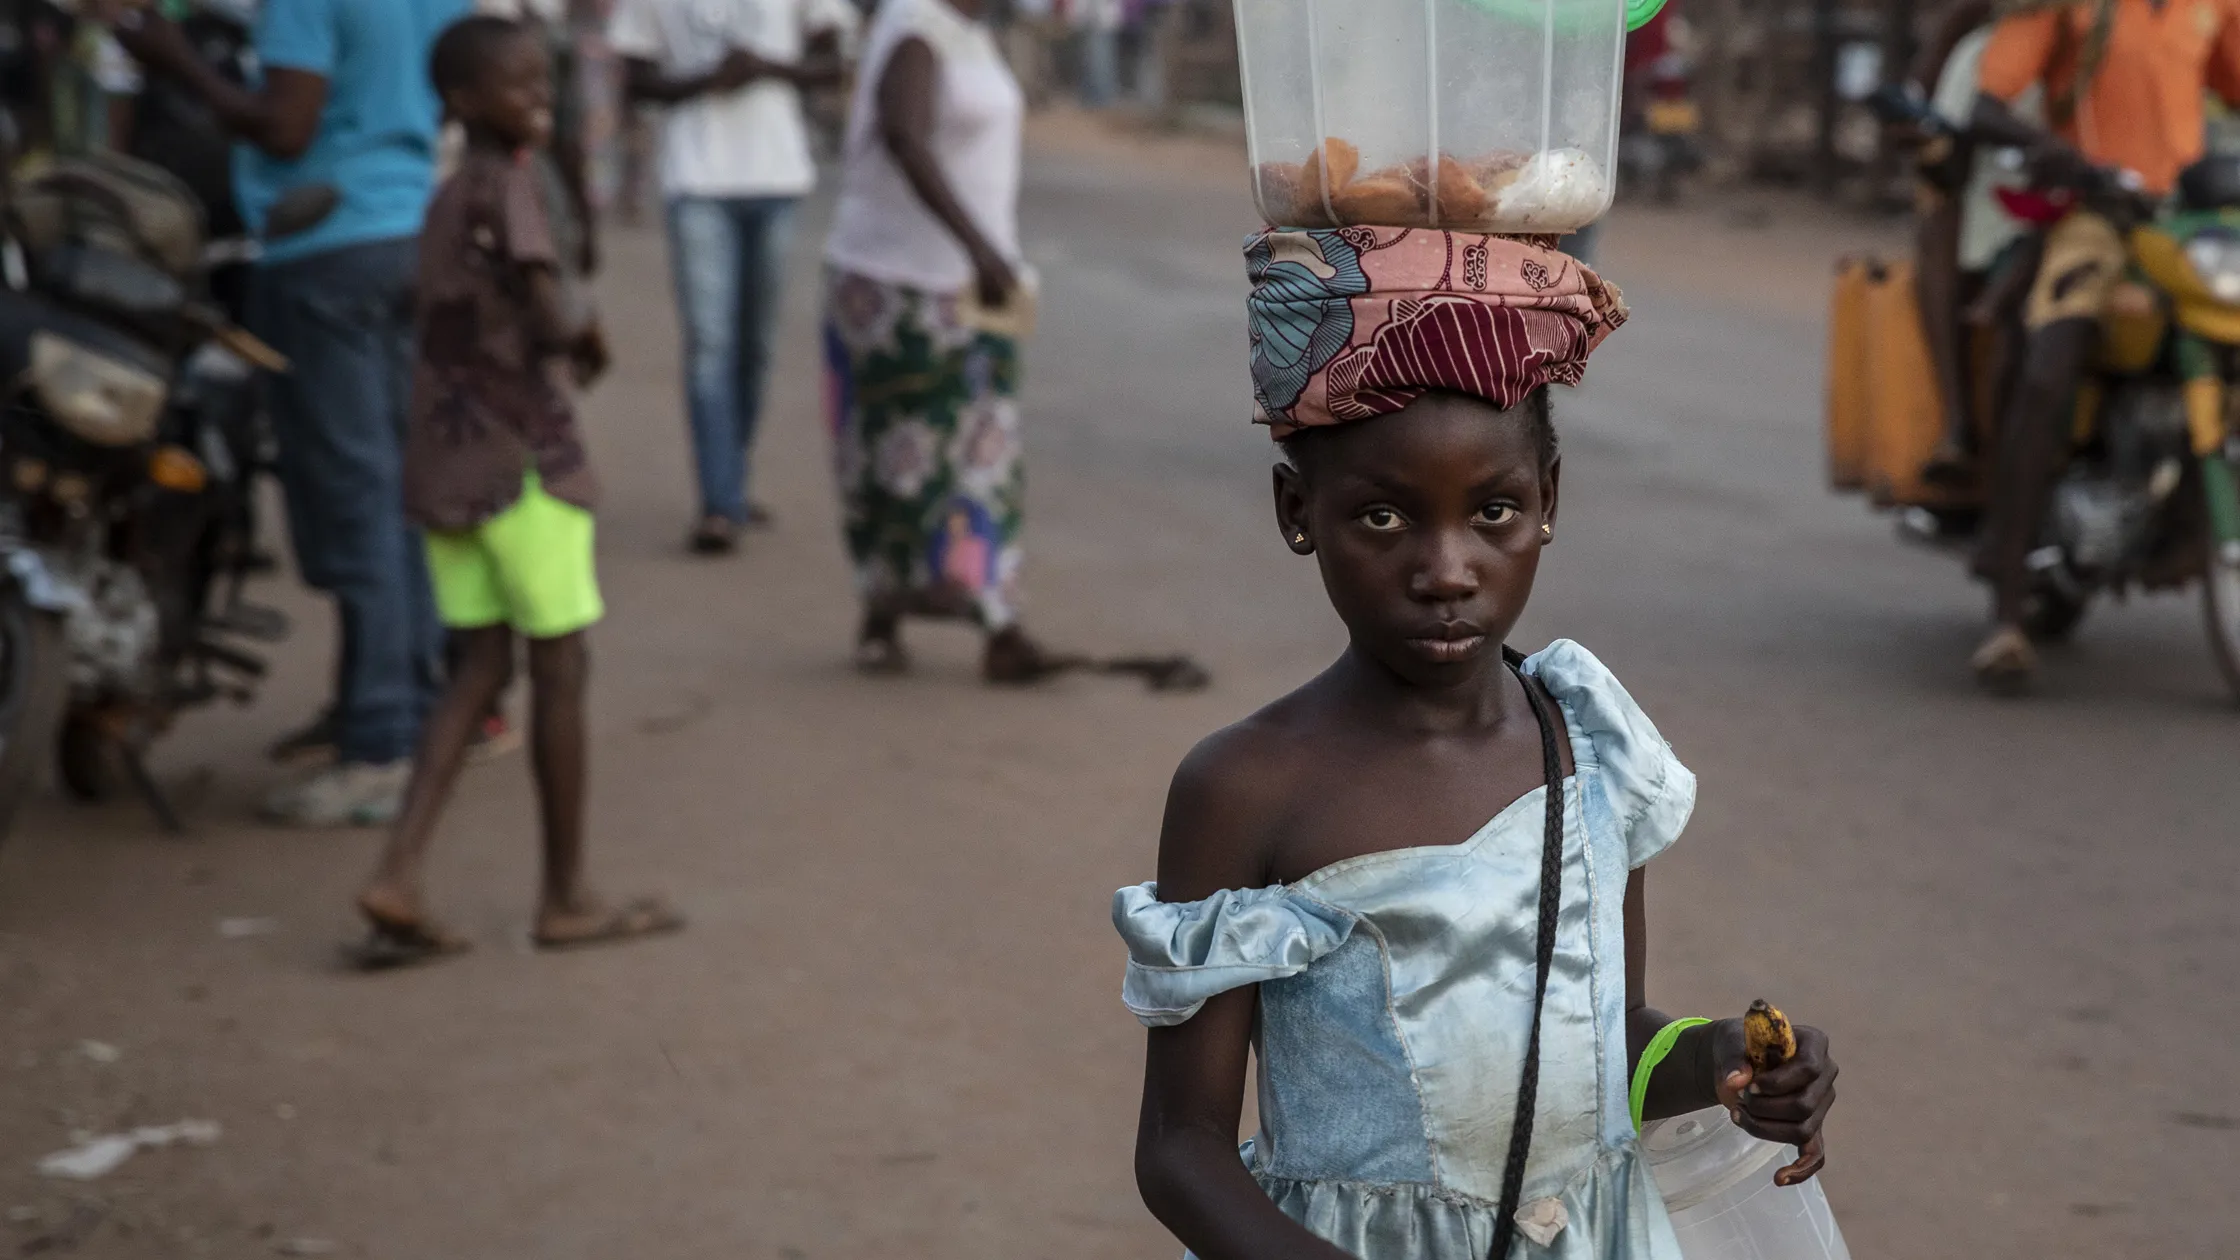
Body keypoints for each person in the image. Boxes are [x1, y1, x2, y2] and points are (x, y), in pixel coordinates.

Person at [1117, 228, 1838, 1258]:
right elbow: (1180, 1148)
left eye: (1491, 511)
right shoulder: (1246, 788)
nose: (1445, 568)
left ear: (1548, 501)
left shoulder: (1585, 737)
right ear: (1296, 512)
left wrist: (1721, 1058)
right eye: (1380, 517)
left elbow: (1607, 1044)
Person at [354, 15, 679, 965]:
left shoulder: (449, 192)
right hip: (522, 465)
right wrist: (587, 336)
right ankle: (566, 894)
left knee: (479, 668)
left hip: (448, 462)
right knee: (562, 668)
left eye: (543, 84)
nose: (537, 100)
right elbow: (545, 302)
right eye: (518, 88)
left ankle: (399, 870)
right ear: (462, 100)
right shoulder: (514, 184)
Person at [103, 0, 468, 825]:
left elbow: (286, 127)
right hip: (407, 234)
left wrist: (177, 63)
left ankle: (380, 744)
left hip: (325, 248)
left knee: (356, 495)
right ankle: (400, 709)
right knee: (398, 493)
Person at [1966, 0, 2240, 690]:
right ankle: (2006, 607)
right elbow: (1987, 105)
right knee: (2047, 370)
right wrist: (2054, 153)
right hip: (2096, 218)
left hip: (2187, 225)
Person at [823, 0, 1066, 682]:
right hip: (895, 286)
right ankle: (884, 608)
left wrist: (987, 258)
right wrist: (979, 247)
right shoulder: (913, 30)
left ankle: (999, 619)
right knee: (894, 460)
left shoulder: (969, 33)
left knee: (986, 452)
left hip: (972, 287)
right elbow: (906, 135)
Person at [607, 0, 853, 554]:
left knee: (756, 346)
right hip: (696, 180)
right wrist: (705, 81)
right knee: (710, 346)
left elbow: (832, 66)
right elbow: (637, 80)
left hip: (775, 177)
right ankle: (719, 501)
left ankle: (732, 476)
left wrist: (765, 69)